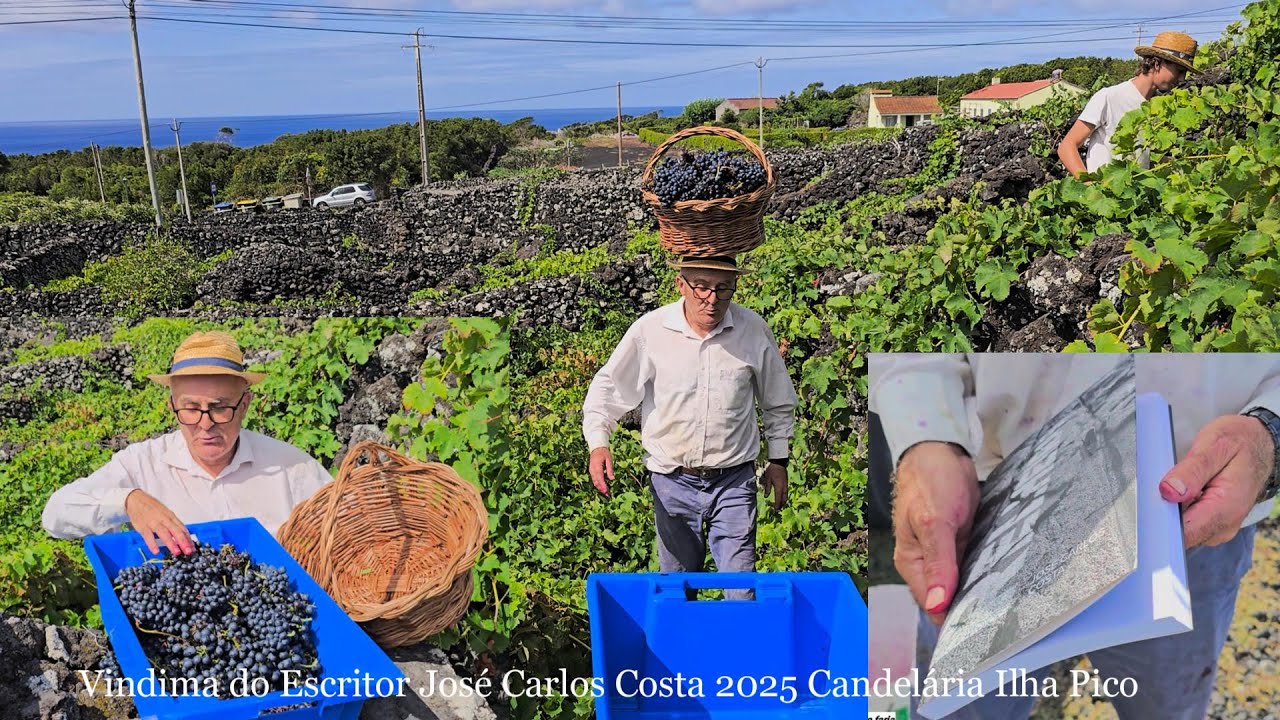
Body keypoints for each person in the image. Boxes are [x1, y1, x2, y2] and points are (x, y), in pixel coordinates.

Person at [869, 353, 1280, 720]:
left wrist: (1271, 432)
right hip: (988, 507)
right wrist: (925, 436)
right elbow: (904, 310)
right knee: (962, 706)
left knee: (1167, 703)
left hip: (1187, 518)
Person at [582, 256, 797, 596]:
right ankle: (683, 648)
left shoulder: (752, 330)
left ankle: (736, 649)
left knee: (741, 592)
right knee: (677, 591)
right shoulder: (650, 331)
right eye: (702, 288)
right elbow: (609, 388)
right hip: (672, 481)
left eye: (723, 289)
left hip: (734, 481)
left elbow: (777, 400)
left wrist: (779, 460)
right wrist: (599, 443)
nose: (712, 299)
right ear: (680, 284)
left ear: (735, 288)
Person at [42, 331, 333, 553]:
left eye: (220, 408)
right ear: (172, 407)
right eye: (191, 409)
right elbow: (55, 513)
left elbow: (348, 528)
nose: (205, 424)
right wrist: (128, 500)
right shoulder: (143, 464)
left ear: (244, 405)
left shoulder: (293, 468)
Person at [1057, 31, 1199, 177]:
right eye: (1179, 71)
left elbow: (1141, 158)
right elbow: (1067, 147)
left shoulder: (1157, 108)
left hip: (1135, 197)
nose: (1182, 78)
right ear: (1157, 63)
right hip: (1104, 194)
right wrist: (1090, 187)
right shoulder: (1110, 97)